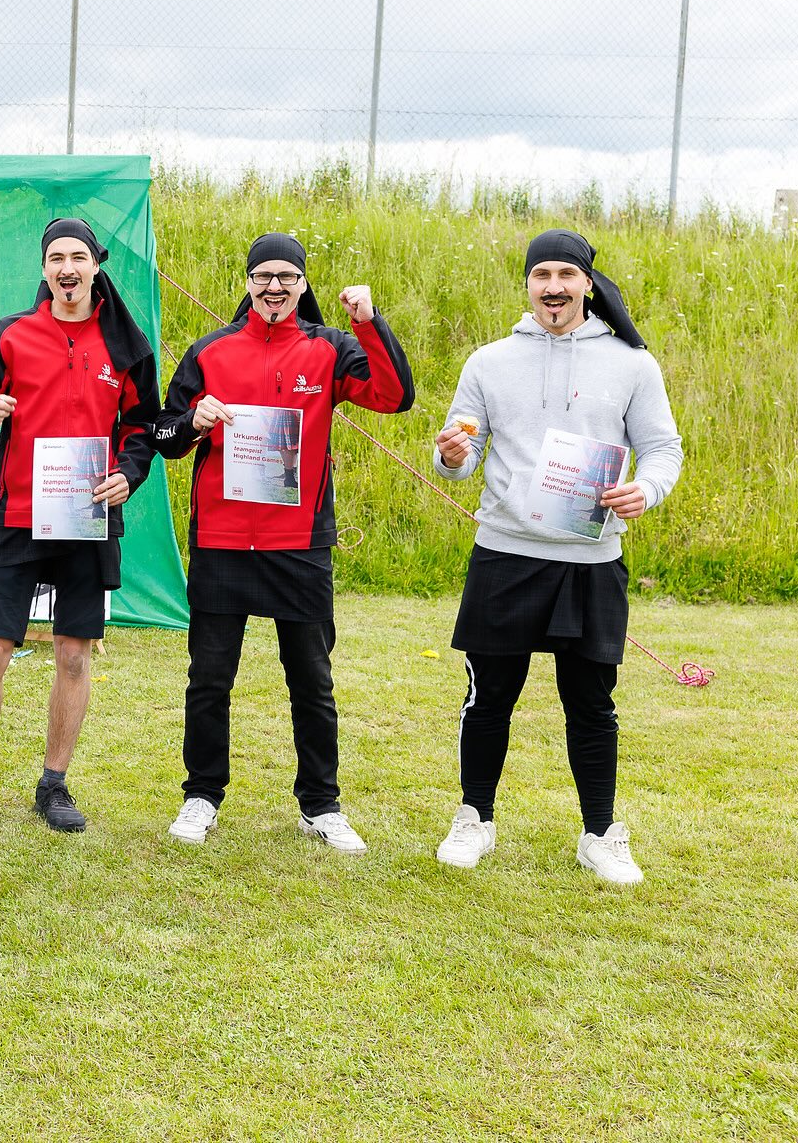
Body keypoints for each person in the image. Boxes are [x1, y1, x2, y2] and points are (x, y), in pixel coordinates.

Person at [431, 229, 682, 885]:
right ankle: (474, 819)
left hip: (592, 560)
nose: (553, 286)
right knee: (489, 698)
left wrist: (645, 489)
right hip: (505, 554)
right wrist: (450, 456)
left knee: (592, 703)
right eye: (541, 273)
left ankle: (600, 833)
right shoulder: (488, 361)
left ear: (587, 285)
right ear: (527, 284)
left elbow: (663, 448)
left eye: (566, 274)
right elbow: (460, 450)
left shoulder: (633, 364)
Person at [152, 231, 413, 854]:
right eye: (263, 276)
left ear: (301, 285)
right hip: (221, 541)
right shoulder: (210, 352)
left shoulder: (330, 348)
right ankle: (202, 795)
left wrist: (371, 323)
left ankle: (321, 804)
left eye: (286, 278)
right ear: (247, 283)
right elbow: (163, 435)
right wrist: (194, 421)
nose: (274, 287)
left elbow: (395, 396)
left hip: (299, 543)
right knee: (210, 678)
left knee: (311, 680)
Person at [0, 218, 163, 835]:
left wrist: (129, 473)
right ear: (44, 269)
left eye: (78, 257)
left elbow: (144, 427)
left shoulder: (125, 345)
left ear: (96, 265)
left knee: (72, 653)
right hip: (16, 518)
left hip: (90, 518)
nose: (67, 268)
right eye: (56, 258)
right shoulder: (12, 334)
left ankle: (54, 783)